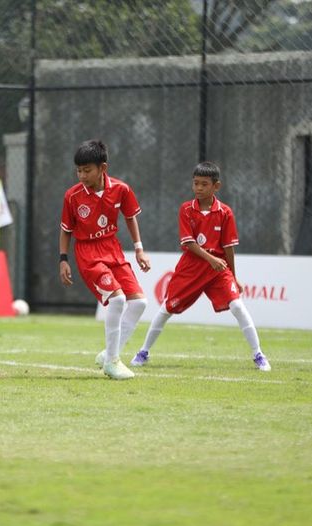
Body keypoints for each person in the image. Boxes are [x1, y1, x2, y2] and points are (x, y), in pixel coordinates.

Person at [130, 161, 271, 371]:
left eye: (204, 184)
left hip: (218, 271)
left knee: (237, 306)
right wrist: (211, 259)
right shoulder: (186, 209)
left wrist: (233, 276)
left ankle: (258, 354)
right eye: (196, 183)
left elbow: (228, 248)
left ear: (216, 186)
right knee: (166, 308)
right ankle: (143, 352)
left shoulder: (225, 212)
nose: (198, 188)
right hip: (192, 267)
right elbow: (189, 243)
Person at [59, 139, 151, 380]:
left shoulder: (121, 189)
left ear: (103, 168)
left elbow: (130, 217)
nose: (82, 176)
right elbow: (66, 230)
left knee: (140, 303)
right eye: (78, 171)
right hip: (88, 253)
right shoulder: (72, 196)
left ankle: (109, 353)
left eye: (87, 170)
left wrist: (139, 249)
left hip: (113, 249)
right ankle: (112, 362)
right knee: (117, 300)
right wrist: (63, 259)